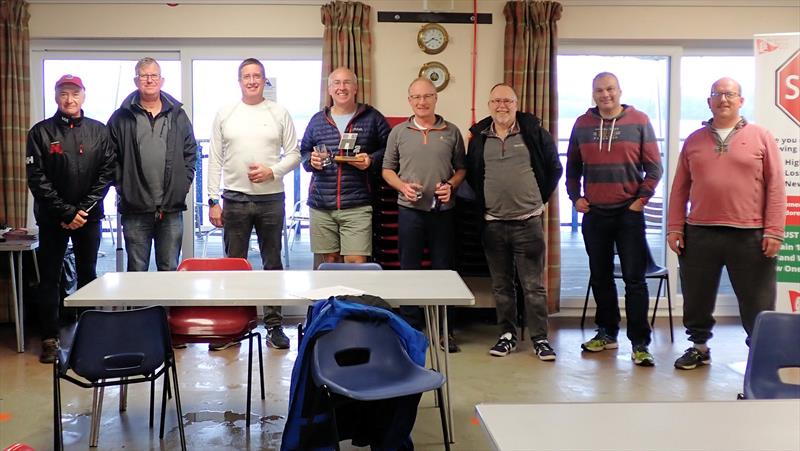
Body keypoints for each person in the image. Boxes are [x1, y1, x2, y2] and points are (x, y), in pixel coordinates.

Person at [668, 77, 786, 370]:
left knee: (757, 300)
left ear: (741, 101)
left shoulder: (761, 136)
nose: (723, 99)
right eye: (717, 94)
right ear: (709, 102)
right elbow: (680, 188)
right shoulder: (694, 140)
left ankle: (759, 354)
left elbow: (776, 187)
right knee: (696, 297)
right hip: (700, 232)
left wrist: (774, 230)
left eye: (730, 94)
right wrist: (674, 226)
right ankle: (698, 347)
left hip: (750, 234)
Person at [566, 72, 663, 367]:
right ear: (593, 94)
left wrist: (640, 201)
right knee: (601, 276)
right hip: (595, 214)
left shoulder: (640, 121)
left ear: (619, 91)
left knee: (635, 280)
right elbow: (571, 167)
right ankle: (607, 333)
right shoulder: (582, 124)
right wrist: (575, 197)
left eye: (610, 89)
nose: (605, 94)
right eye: (599, 90)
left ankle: (640, 343)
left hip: (628, 215)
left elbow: (654, 168)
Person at [207, 58, 301, 350]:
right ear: (239, 81)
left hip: (271, 199)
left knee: (273, 263)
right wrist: (213, 200)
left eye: (257, 76)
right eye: (246, 76)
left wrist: (273, 171)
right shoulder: (226, 113)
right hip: (233, 198)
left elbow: (295, 154)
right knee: (234, 265)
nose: (251, 81)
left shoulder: (279, 112)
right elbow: (215, 160)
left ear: (264, 81)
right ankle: (233, 327)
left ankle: (274, 326)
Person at [466, 84, 563, 361]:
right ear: (489, 104)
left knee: (533, 286)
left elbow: (554, 168)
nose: (502, 106)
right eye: (496, 101)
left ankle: (540, 338)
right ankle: (507, 336)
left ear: (516, 104)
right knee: (501, 285)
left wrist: (536, 198)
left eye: (507, 101)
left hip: (528, 223)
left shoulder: (533, 133)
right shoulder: (479, 137)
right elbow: (473, 174)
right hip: (493, 224)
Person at [26, 75, 115, 363]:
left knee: (88, 275)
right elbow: (37, 179)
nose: (69, 99)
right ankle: (50, 338)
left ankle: (90, 333)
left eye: (74, 93)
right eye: (64, 93)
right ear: (56, 97)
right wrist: (65, 212)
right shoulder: (39, 133)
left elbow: (106, 174)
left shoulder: (99, 132)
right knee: (49, 278)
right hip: (53, 219)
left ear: (83, 96)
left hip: (88, 218)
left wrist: (82, 211)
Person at [382, 77, 467, 352]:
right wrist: (402, 186)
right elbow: (387, 170)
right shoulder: (398, 132)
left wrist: (451, 186)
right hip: (410, 212)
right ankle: (410, 330)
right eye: (416, 97)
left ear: (435, 98)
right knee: (409, 272)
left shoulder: (451, 131)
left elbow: (461, 170)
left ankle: (445, 330)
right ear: (409, 100)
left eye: (427, 96)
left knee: (445, 271)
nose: (422, 102)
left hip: (443, 212)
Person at [107, 57, 197, 272]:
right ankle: (140, 308)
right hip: (135, 210)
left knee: (169, 269)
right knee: (137, 272)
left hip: (171, 210)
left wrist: (182, 185)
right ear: (136, 80)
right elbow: (109, 157)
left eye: (153, 75)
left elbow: (190, 153)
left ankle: (165, 309)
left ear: (162, 80)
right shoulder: (121, 117)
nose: (149, 80)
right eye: (144, 75)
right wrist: (124, 186)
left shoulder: (178, 115)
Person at [300, 67, 390, 264]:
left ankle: (354, 297)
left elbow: (391, 150)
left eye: (347, 82)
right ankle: (329, 297)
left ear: (356, 88)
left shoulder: (373, 117)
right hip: (321, 205)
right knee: (328, 262)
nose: (342, 87)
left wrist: (371, 160)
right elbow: (304, 152)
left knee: (356, 262)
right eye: (337, 83)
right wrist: (311, 161)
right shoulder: (317, 120)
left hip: (357, 204)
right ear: (330, 90)